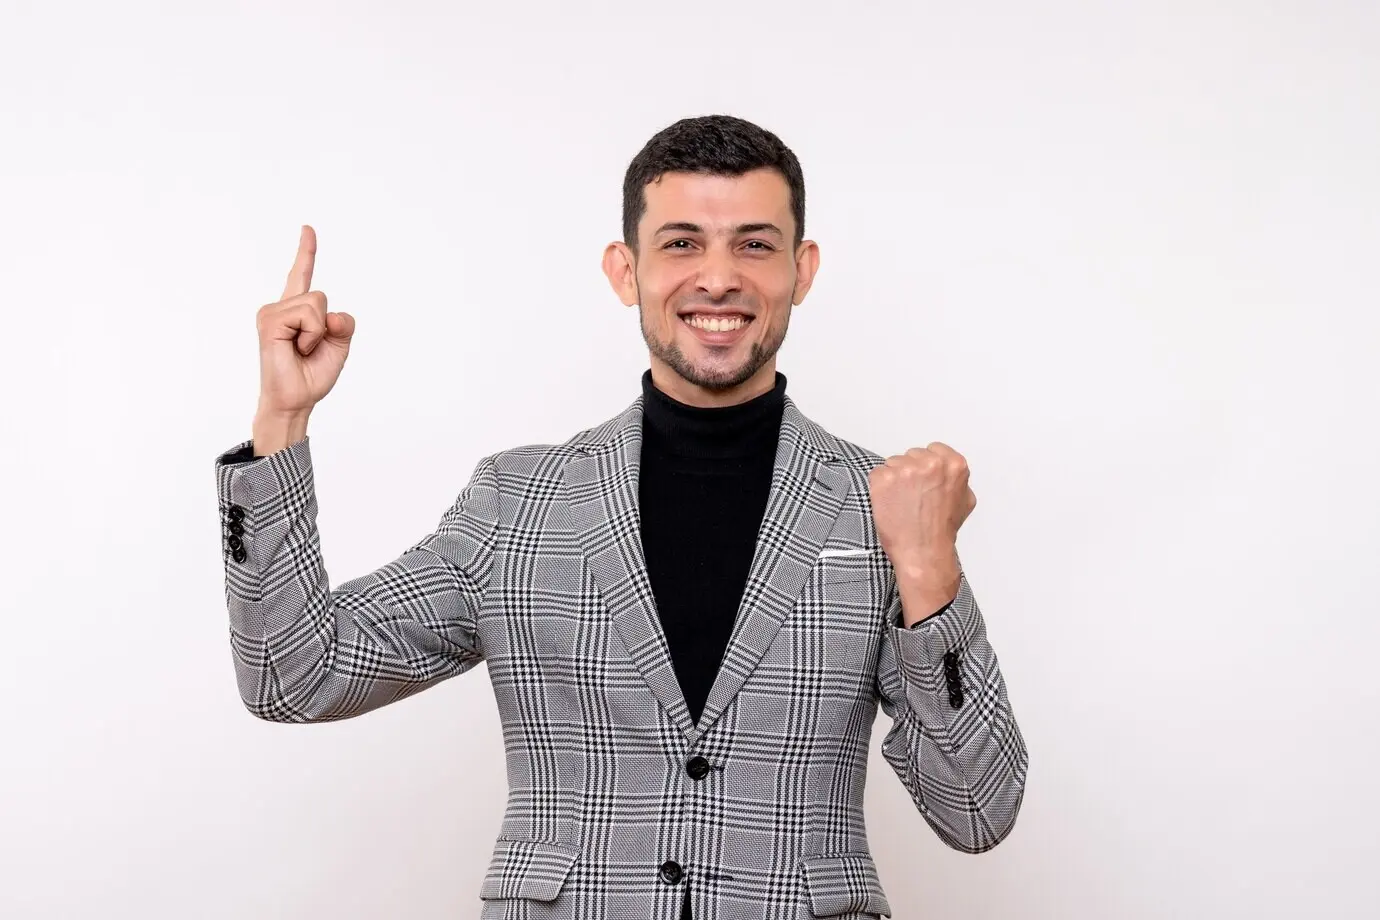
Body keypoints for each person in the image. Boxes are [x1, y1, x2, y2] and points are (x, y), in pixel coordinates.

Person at [214, 114, 1027, 919]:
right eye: (680, 243)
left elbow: (978, 810)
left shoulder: (876, 505)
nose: (717, 278)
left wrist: (928, 573)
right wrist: (280, 423)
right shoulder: (517, 501)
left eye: (753, 243)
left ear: (801, 269)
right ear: (624, 271)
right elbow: (294, 675)